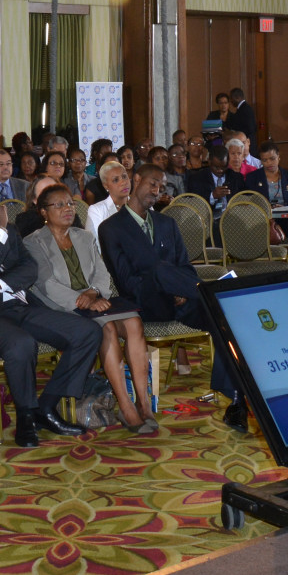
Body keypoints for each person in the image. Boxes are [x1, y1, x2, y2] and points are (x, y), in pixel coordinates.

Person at [0, 170, 100, 447]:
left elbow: (29, 269)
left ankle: (46, 407)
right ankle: (26, 417)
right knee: (21, 344)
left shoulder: (9, 229)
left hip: (18, 307)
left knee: (88, 332)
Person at [98, 164, 246, 431]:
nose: (157, 191)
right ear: (137, 179)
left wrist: (181, 290)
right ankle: (215, 292)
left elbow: (186, 269)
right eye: (153, 183)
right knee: (160, 269)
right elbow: (126, 282)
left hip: (183, 300)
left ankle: (238, 401)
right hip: (144, 304)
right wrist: (169, 284)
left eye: (162, 187)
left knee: (227, 320)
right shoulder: (111, 228)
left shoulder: (167, 223)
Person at [26, 183, 154, 433]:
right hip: (61, 307)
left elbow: (102, 273)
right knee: (107, 329)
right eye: (59, 205)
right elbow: (46, 283)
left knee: (133, 323)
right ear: (43, 212)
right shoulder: (33, 242)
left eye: (70, 204)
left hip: (95, 301)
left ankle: (144, 402)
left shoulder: (83, 236)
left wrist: (94, 292)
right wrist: (82, 299)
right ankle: (126, 406)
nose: (67, 209)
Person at [245, 142, 288, 268]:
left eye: (272, 159)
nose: (269, 163)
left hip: (285, 215)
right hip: (262, 218)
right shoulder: (252, 178)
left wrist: (283, 209)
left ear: (279, 157)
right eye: (265, 160)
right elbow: (249, 204)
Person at [86, 161, 131, 236]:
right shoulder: (96, 210)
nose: (123, 182)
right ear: (106, 186)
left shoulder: (141, 205)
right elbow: (93, 241)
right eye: (116, 180)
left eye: (124, 177)